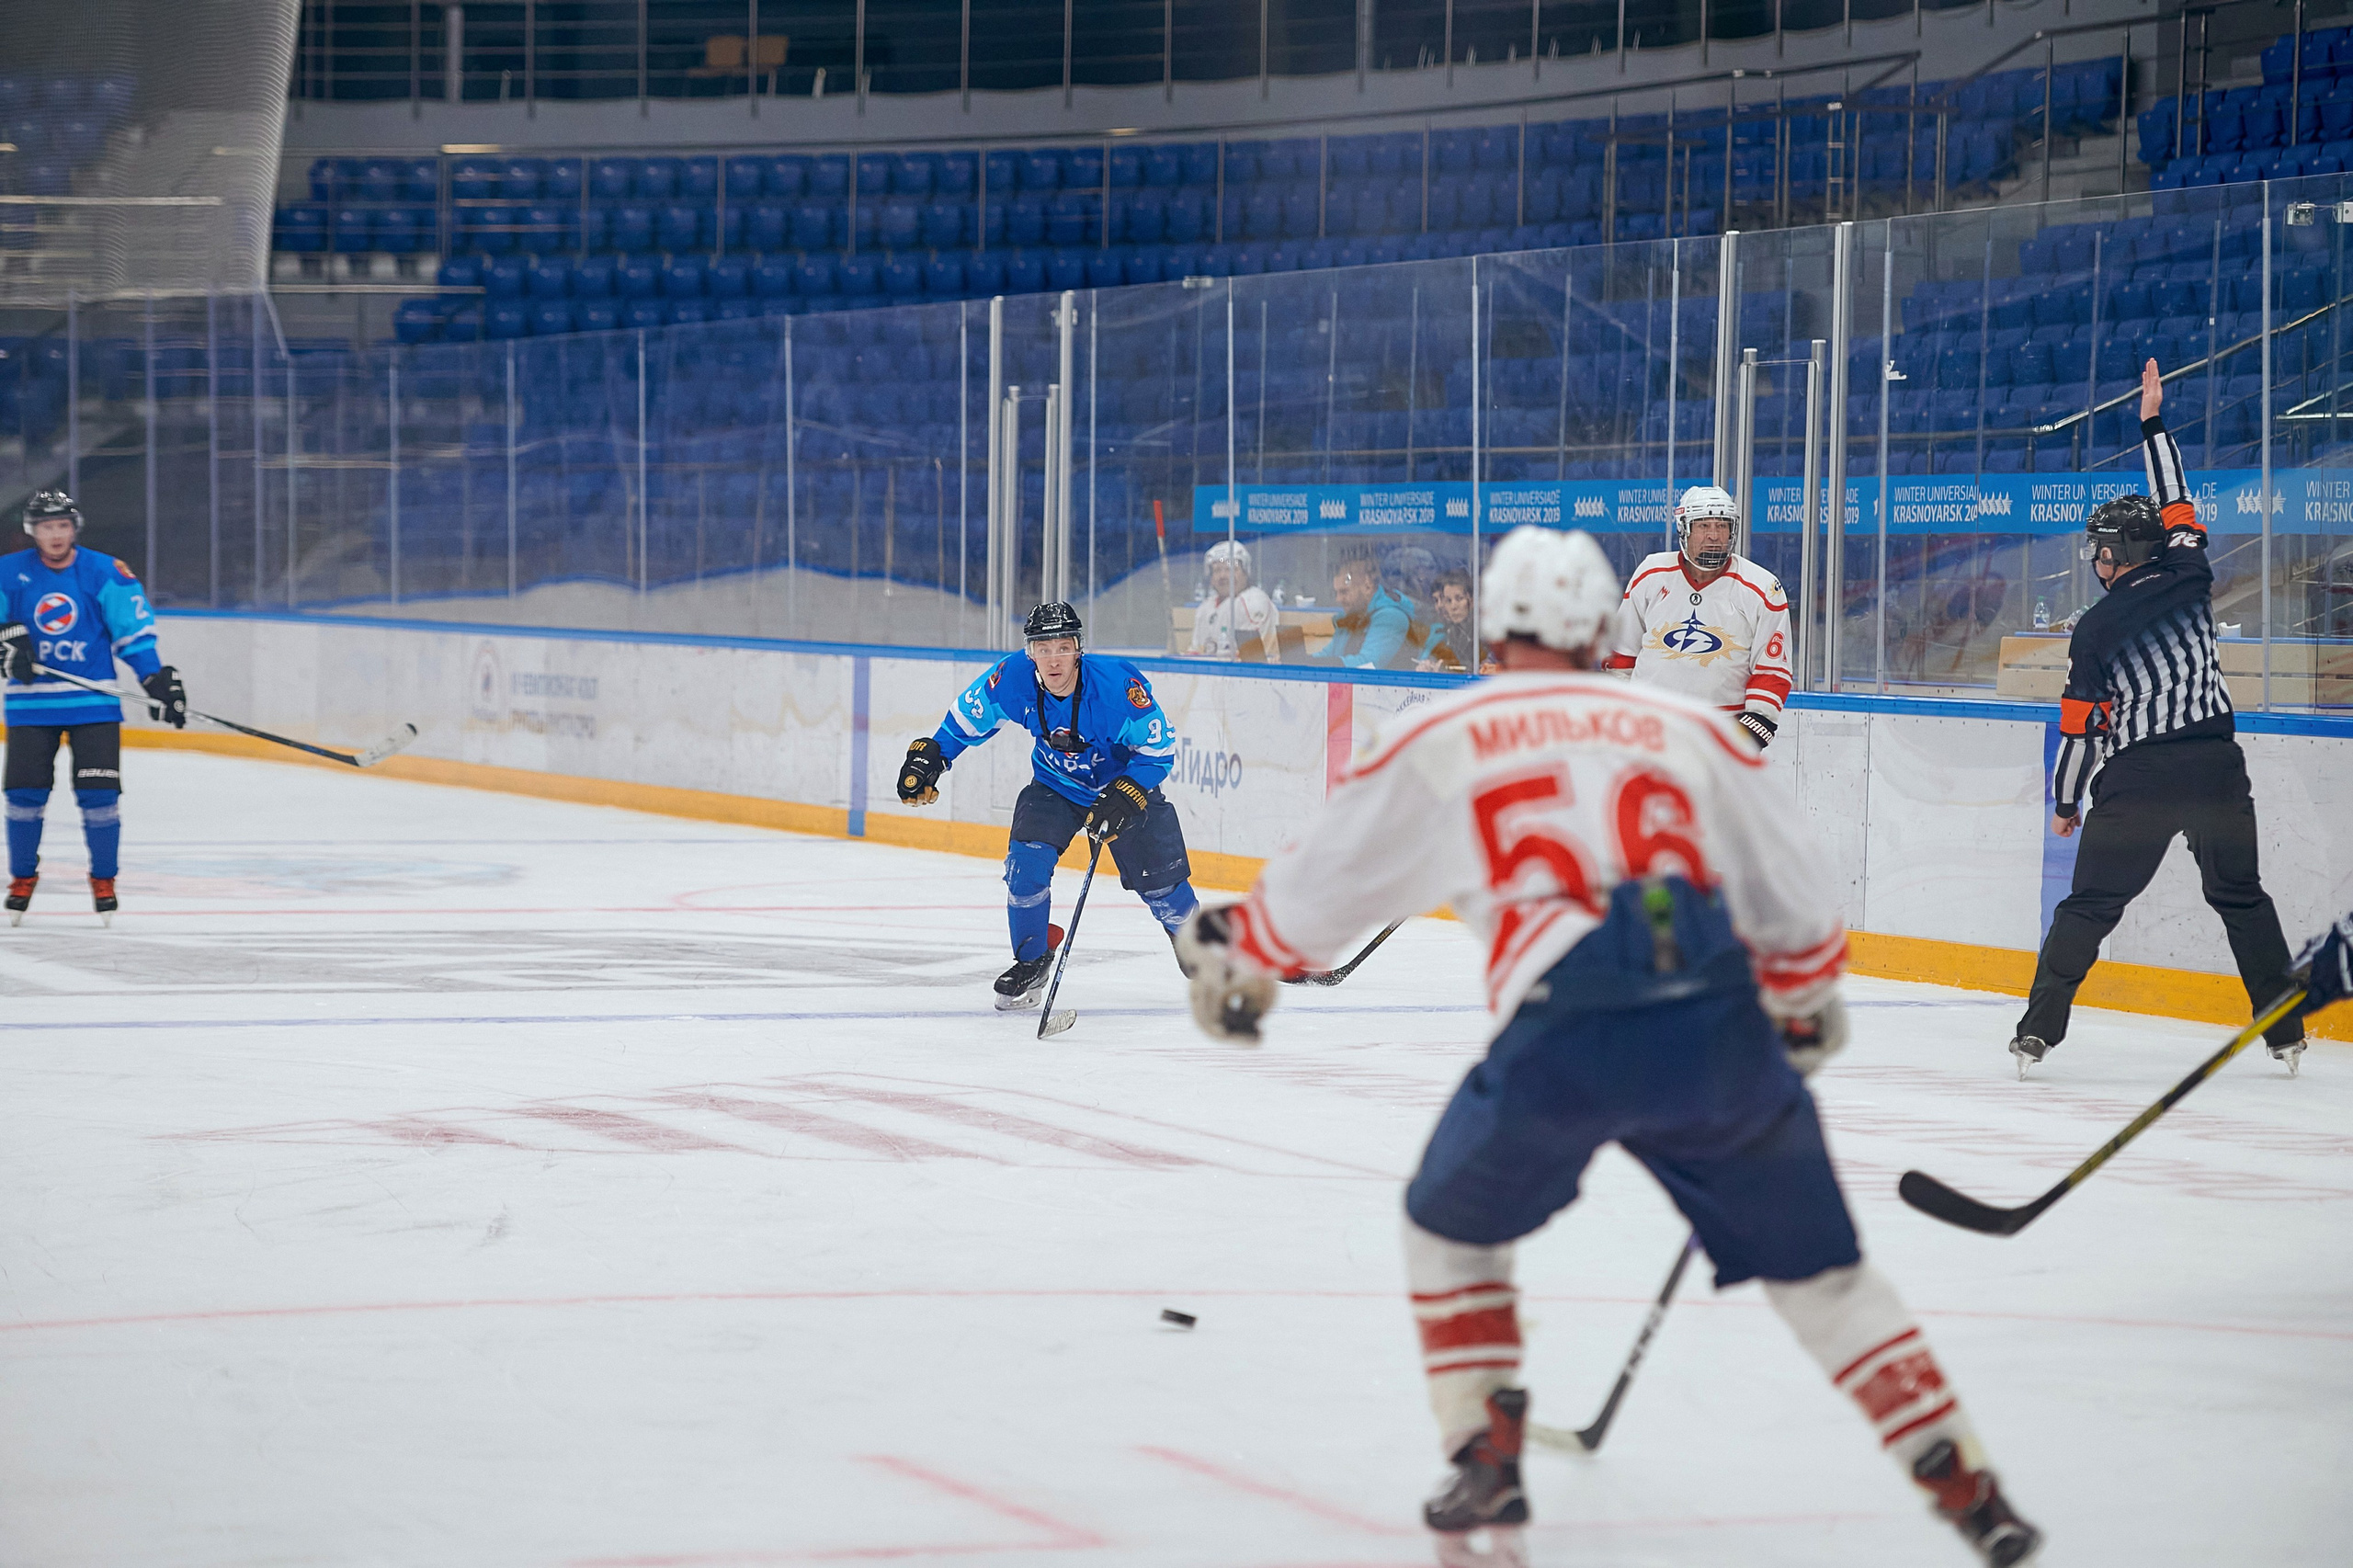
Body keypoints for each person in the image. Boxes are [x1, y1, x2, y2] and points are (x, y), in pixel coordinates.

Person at [1175, 525, 2041, 1568]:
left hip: (1565, 1023)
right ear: (1603, 629)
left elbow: (1325, 889)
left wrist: (1239, 949)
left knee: (1448, 1229)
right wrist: (1801, 1002)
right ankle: (1966, 1480)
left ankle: (1482, 1449)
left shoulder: (1440, 729)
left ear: (1492, 622)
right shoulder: (1687, 725)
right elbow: (1798, 897)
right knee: (1826, 1278)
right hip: (1712, 1013)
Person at [2012, 358, 2307, 1078]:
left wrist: (2065, 802)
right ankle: (2285, 1032)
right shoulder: (2190, 570)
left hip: (2138, 780)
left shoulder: (2096, 629)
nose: (2094, 560)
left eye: (2097, 550)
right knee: (2240, 895)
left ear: (2112, 555)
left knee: (2088, 908)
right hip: (2216, 768)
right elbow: (2175, 495)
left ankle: (2038, 1033)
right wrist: (2153, 421)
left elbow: (2080, 729)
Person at [895, 601, 1199, 1008]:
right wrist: (933, 755)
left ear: (1078, 649)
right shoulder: (1012, 679)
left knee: (1164, 891)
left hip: (1120, 789)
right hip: (1055, 786)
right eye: (1043, 647)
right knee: (1025, 868)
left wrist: (1130, 790)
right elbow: (963, 723)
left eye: (1062, 646)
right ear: (1029, 652)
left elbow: (1158, 752)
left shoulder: (1114, 688)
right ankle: (1032, 960)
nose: (1053, 658)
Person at [0, 490, 187, 926]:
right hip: (30, 707)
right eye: (47, 527)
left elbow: (133, 634)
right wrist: (7, 641)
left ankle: (104, 879)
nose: (56, 534)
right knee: (23, 798)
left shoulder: (105, 571)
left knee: (100, 798)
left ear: (74, 528)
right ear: (33, 531)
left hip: (93, 705)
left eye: (63, 526)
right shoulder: (8, 573)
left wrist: (154, 679)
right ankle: (22, 877)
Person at [1606, 483, 1793, 751]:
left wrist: (1746, 737)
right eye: (1704, 525)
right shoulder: (1651, 573)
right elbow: (1621, 655)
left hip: (1719, 736)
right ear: (1684, 529)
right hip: (1648, 732)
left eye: (1722, 526)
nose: (1714, 536)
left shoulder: (1762, 588)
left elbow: (1771, 670)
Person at [1314, 549, 1415, 668]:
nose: (1338, 599)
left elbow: (1368, 664)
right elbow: (1327, 654)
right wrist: (1304, 662)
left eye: (1344, 592)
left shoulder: (1391, 618)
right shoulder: (1352, 617)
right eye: (1336, 593)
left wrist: (1317, 664)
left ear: (1367, 587)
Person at [1186, 539, 1279, 659]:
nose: (1223, 576)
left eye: (1231, 569)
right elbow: (1196, 652)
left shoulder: (1254, 602)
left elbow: (1252, 658)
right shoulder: (1204, 609)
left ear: (1246, 572)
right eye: (1217, 570)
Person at [1415, 569, 1494, 674]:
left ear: (1472, 600)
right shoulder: (1448, 631)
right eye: (1448, 601)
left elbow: (1482, 668)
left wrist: (1446, 667)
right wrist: (1431, 665)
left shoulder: (1486, 632)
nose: (1453, 606)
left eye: (1459, 598)